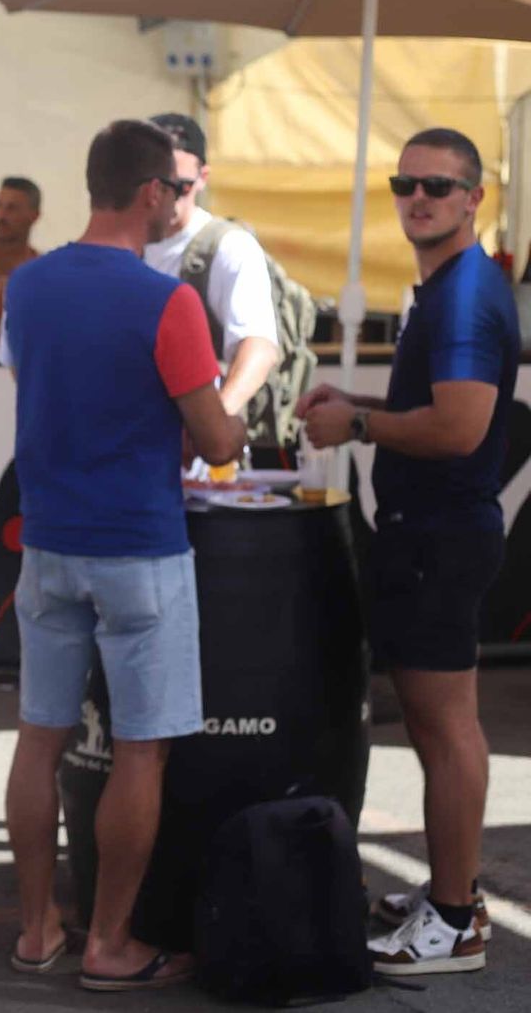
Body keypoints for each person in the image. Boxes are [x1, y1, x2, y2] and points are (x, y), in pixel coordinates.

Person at [0, 119, 244, 990]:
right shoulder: (166, 299)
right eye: (175, 191)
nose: (179, 204)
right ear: (150, 193)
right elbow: (216, 437)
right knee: (141, 750)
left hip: (51, 540)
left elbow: (47, 390)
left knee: (39, 739)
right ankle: (109, 942)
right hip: (139, 545)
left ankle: (36, 929)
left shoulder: (27, 288)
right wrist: (233, 415)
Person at [301, 127, 515, 977]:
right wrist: (358, 399)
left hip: (442, 538)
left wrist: (355, 422)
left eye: (438, 184)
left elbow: (460, 427)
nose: (418, 196)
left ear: (474, 198)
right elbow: (435, 404)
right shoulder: (448, 285)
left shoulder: (465, 293)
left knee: (447, 727)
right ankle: (450, 892)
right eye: (405, 182)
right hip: (432, 534)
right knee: (436, 728)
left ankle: (457, 916)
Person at [143, 113, 280, 434]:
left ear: (203, 177)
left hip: (205, 461)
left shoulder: (228, 247)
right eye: (160, 185)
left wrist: (212, 425)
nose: (171, 196)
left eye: (183, 185)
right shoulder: (125, 244)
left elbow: (258, 347)